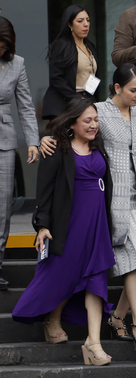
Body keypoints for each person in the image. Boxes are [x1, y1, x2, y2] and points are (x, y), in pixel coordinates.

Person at [39, 64, 136, 348]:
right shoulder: (100, 112)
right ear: (117, 88)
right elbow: (74, 128)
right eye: (133, 89)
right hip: (112, 199)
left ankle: (118, 317)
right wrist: (46, 139)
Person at [12, 98, 115, 366]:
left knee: (95, 277)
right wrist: (42, 226)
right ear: (72, 123)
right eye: (87, 121)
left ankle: (93, 342)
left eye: (95, 120)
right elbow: (44, 191)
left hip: (97, 223)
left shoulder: (99, 146)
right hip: (69, 223)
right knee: (65, 273)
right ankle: (52, 317)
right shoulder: (58, 148)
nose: (94, 125)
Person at [0, 16, 40, 290]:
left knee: (3, 207)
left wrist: (33, 141)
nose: (0, 51)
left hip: (4, 141)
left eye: (4, 46)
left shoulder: (17, 64)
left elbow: (26, 106)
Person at [42, 5, 99, 120]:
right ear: (69, 24)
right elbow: (56, 78)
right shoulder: (61, 46)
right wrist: (76, 97)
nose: (86, 24)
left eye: (88, 20)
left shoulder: (90, 46)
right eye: (80, 21)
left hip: (85, 101)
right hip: (64, 104)